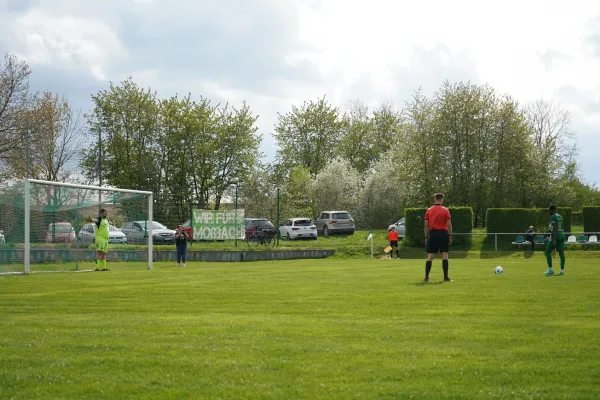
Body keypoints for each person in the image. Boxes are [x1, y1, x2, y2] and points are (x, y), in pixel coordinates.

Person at [424, 193, 452, 282]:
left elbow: (426, 225)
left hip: (432, 233)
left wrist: (426, 236)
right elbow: (449, 224)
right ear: (441, 199)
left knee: (430, 256)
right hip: (443, 233)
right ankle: (445, 277)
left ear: (435, 199)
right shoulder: (445, 210)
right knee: (444, 255)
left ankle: (426, 277)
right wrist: (450, 236)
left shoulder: (428, 210)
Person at [544, 205, 566, 276]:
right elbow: (559, 227)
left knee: (547, 251)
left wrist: (554, 240)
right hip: (562, 235)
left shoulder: (553, 216)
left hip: (555, 236)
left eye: (549, 211)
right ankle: (562, 270)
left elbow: (555, 229)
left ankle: (551, 270)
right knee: (561, 253)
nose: (549, 212)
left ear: (551, 210)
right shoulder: (560, 216)